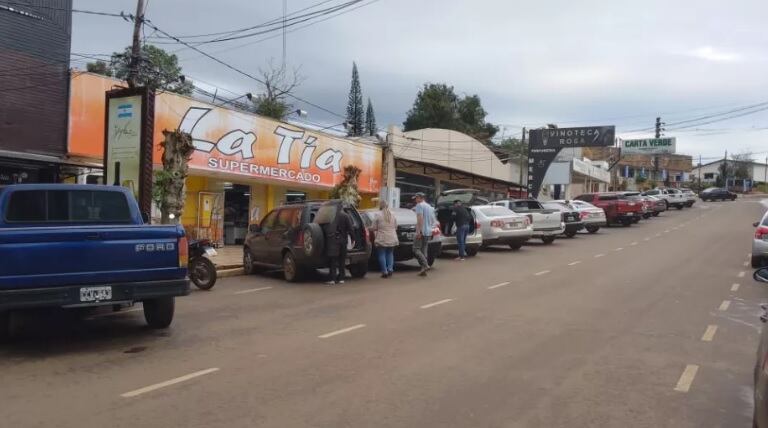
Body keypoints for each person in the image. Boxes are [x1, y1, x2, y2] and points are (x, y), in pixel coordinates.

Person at [323, 204, 355, 285]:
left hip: (333, 241)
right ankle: (341, 278)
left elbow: (324, 228)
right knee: (342, 260)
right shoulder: (345, 216)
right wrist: (353, 239)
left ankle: (332, 279)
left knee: (333, 261)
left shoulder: (330, 216)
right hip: (343, 241)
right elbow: (350, 228)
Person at [371, 200, 399, 278]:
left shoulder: (377, 214)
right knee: (390, 253)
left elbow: (374, 227)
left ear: (380, 205)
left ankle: (384, 271)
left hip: (382, 237)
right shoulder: (393, 214)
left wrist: (369, 228)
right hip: (392, 236)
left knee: (381, 254)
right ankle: (390, 269)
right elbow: (396, 226)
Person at [412, 192, 435, 277]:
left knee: (415, 249)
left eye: (416, 198)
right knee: (424, 249)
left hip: (422, 231)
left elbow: (420, 219)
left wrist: (419, 231)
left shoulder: (419, 206)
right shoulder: (429, 207)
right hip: (428, 231)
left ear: (420, 198)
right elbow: (433, 220)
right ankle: (423, 269)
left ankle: (425, 265)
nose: (415, 200)